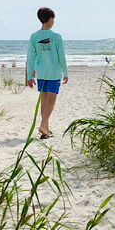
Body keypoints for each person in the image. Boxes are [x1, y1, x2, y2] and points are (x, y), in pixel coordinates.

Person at [26, 7, 68, 139]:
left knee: (44, 100)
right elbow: (61, 56)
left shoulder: (34, 36)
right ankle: (43, 125)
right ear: (50, 19)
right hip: (54, 72)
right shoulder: (56, 37)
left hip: (41, 72)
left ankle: (46, 129)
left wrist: (29, 75)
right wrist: (65, 72)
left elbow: (30, 57)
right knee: (51, 102)